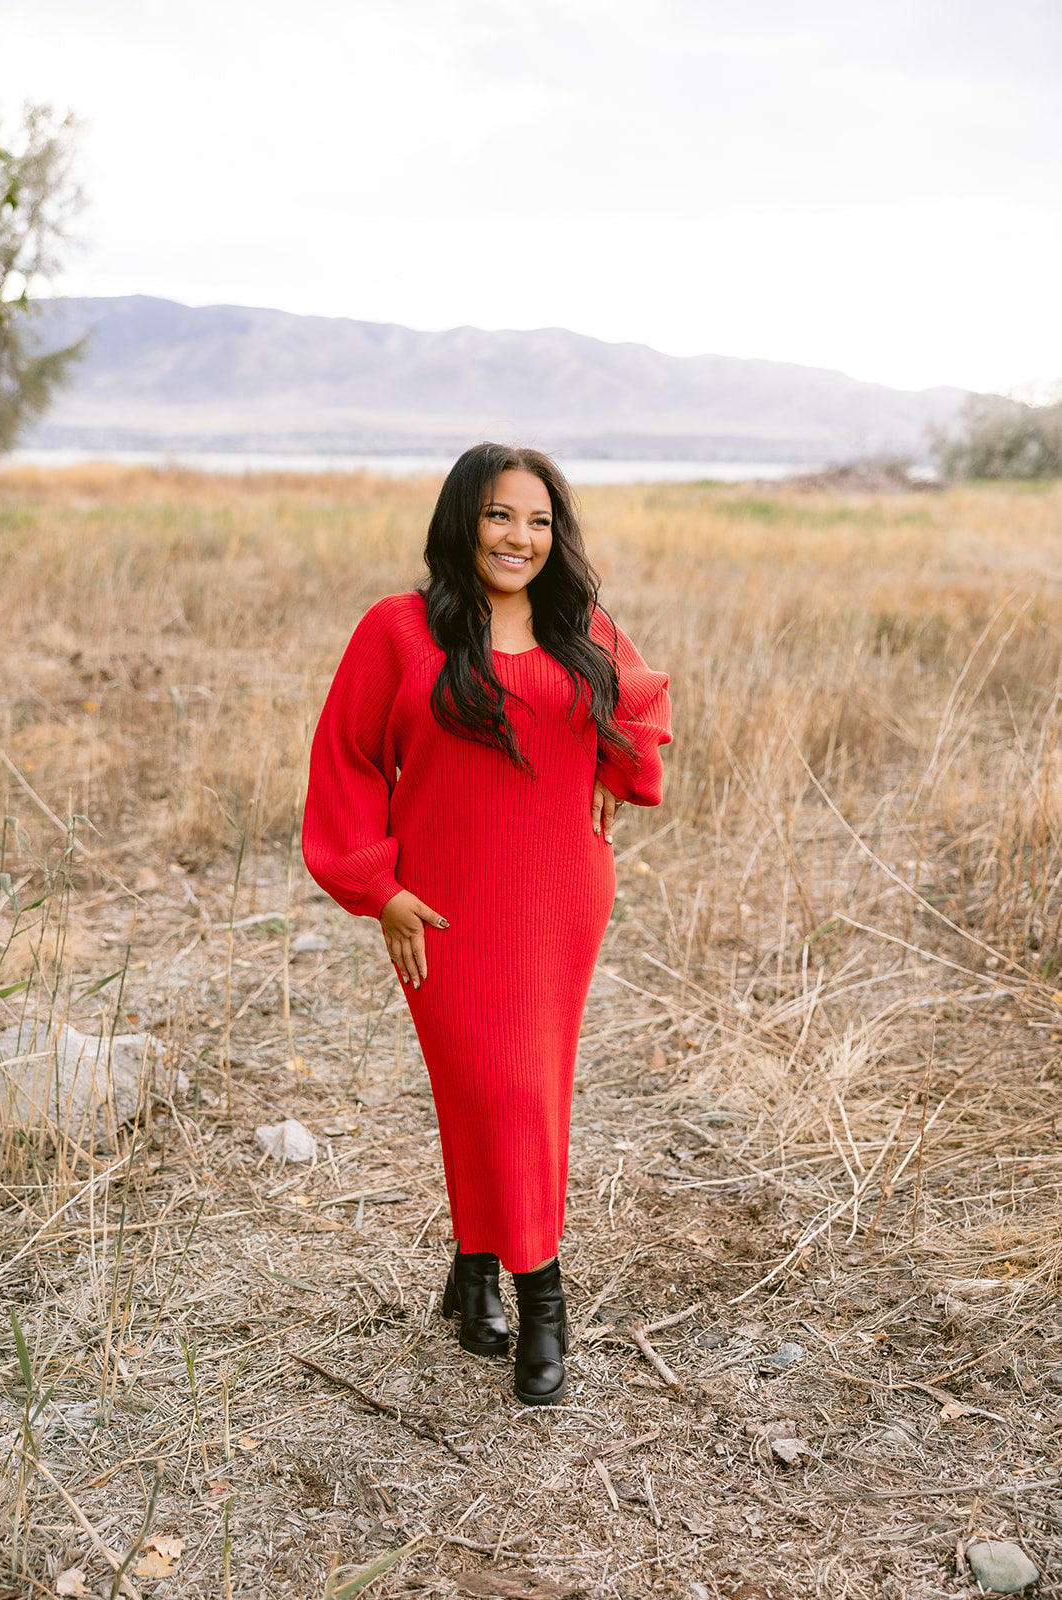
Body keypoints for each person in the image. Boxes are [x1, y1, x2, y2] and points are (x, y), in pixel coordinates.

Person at [302, 443, 671, 1406]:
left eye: (540, 521)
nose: (521, 538)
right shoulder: (398, 631)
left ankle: (522, 1292)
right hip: (441, 908)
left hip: (559, 898)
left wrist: (608, 769)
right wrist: (373, 887)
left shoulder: (576, 623)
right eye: (502, 516)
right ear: (464, 519)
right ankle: (492, 1276)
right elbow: (344, 758)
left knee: (524, 1087)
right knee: (480, 1086)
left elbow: (640, 701)